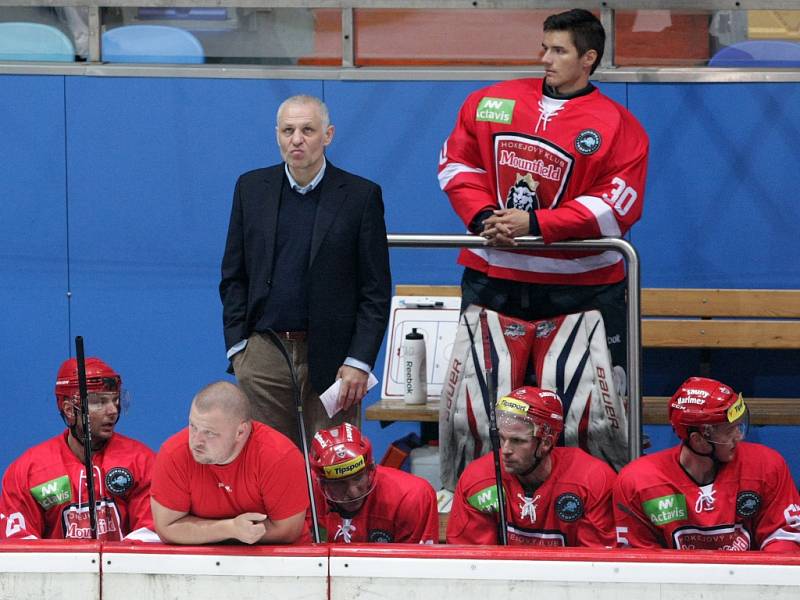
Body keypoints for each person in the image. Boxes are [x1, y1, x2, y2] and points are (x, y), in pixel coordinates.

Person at [437, 8, 649, 374]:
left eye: (559, 51)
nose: (545, 60)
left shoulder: (619, 126)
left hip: (581, 290)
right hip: (493, 279)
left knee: (583, 414)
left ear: (588, 59)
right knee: (487, 406)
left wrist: (534, 223)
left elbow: (615, 207)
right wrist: (486, 216)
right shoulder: (492, 102)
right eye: (544, 48)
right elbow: (457, 164)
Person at [220, 94, 391, 448]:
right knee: (269, 463)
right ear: (277, 136)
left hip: (335, 360)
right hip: (264, 354)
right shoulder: (250, 189)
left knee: (337, 465)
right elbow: (233, 276)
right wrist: (240, 349)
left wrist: (359, 361)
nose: (297, 139)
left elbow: (375, 290)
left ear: (327, 135)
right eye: (288, 130)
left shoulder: (360, 196)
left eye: (307, 130)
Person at [613, 377, 800, 553]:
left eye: (738, 426)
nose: (739, 436)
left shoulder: (766, 466)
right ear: (698, 440)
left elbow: (784, 538)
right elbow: (640, 562)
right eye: (729, 431)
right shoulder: (639, 483)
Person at [0, 357, 155, 541]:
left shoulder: (142, 461)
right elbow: (19, 545)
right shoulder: (27, 471)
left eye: (115, 400)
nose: (113, 410)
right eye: (100, 401)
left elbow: (152, 531)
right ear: (69, 410)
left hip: (123, 569)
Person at [447, 386, 616, 546]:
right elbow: (471, 564)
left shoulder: (592, 480)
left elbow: (597, 566)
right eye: (502, 438)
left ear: (546, 442)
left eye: (518, 441)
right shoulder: (479, 479)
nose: (505, 450)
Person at [150, 381, 310, 545]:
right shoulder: (174, 453)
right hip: (201, 562)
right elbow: (167, 528)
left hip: (277, 560)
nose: (196, 441)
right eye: (193, 426)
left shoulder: (278, 456)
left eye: (210, 433)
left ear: (240, 432)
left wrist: (218, 533)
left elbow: (287, 530)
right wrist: (229, 529)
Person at [309, 422, 438, 544]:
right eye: (339, 483)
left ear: (371, 469)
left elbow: (419, 565)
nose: (353, 492)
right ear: (322, 483)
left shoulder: (412, 497)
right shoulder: (307, 492)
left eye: (358, 477)